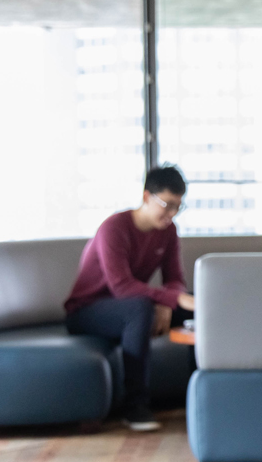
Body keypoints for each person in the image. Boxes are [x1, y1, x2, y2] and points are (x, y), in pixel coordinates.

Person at [65, 165, 197, 432]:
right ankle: (135, 406)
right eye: (167, 205)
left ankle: (199, 396)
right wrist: (168, 299)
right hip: (87, 311)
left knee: (196, 304)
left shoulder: (168, 231)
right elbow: (121, 287)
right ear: (147, 197)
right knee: (138, 308)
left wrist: (166, 302)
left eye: (178, 207)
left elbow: (175, 279)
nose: (171, 214)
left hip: (133, 306)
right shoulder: (114, 228)